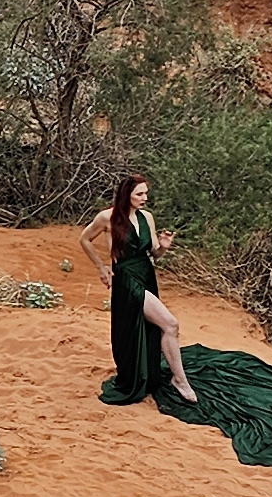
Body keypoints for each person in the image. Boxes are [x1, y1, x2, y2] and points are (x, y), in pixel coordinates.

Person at [76, 175, 200, 408]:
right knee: (170, 324)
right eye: (139, 194)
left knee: (152, 327)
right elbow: (85, 240)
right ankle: (180, 380)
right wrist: (101, 267)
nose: (145, 198)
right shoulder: (107, 217)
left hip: (146, 274)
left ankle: (152, 372)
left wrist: (162, 247)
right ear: (127, 195)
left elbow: (153, 253)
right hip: (126, 278)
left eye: (145, 194)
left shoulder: (147, 217)